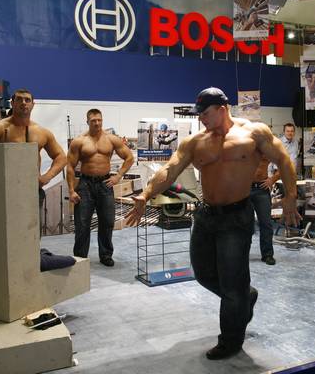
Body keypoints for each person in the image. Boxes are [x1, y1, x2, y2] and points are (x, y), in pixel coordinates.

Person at [125, 87, 300, 360]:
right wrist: (146, 194)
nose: (201, 119)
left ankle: (230, 341)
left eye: (205, 113)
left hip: (236, 217)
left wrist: (290, 196)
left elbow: (284, 160)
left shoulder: (254, 133)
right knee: (204, 274)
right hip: (206, 216)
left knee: (232, 283)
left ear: (222, 109)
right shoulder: (196, 142)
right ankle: (244, 297)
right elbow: (170, 169)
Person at [0, 88, 67, 212]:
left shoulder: (42, 132)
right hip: (3, 190)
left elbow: (61, 157)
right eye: (19, 99)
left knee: (32, 224)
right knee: (3, 224)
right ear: (12, 103)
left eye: (27, 100)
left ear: (33, 105)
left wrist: (46, 177)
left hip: (32, 189)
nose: (23, 103)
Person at [67, 109, 134, 266]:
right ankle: (80, 258)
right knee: (82, 223)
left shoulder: (111, 139)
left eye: (99, 120)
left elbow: (129, 157)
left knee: (107, 221)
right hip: (85, 185)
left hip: (105, 184)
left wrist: (118, 175)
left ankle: (105, 255)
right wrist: (71, 190)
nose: (97, 123)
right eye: (93, 121)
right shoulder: (79, 141)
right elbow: (70, 166)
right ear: (87, 122)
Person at [250, 158, 280, 265]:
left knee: (266, 223)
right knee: (244, 223)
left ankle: (267, 254)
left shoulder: (266, 150)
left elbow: (283, 165)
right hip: (244, 188)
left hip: (261, 189)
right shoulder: (243, 148)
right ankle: (242, 254)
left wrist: (272, 180)